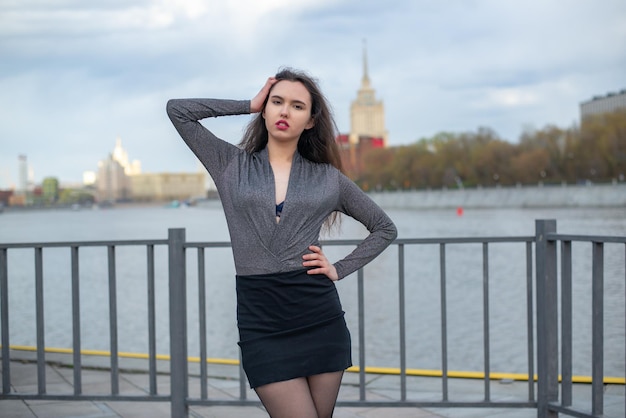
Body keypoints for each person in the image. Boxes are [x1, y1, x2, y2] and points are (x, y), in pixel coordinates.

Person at [166, 68, 397, 418]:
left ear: (309, 121)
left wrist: (339, 268)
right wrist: (249, 103)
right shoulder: (230, 165)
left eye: (297, 106)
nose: (285, 111)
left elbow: (384, 228)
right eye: (277, 102)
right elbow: (178, 111)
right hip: (262, 320)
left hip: (318, 316)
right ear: (266, 109)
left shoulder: (328, 179)